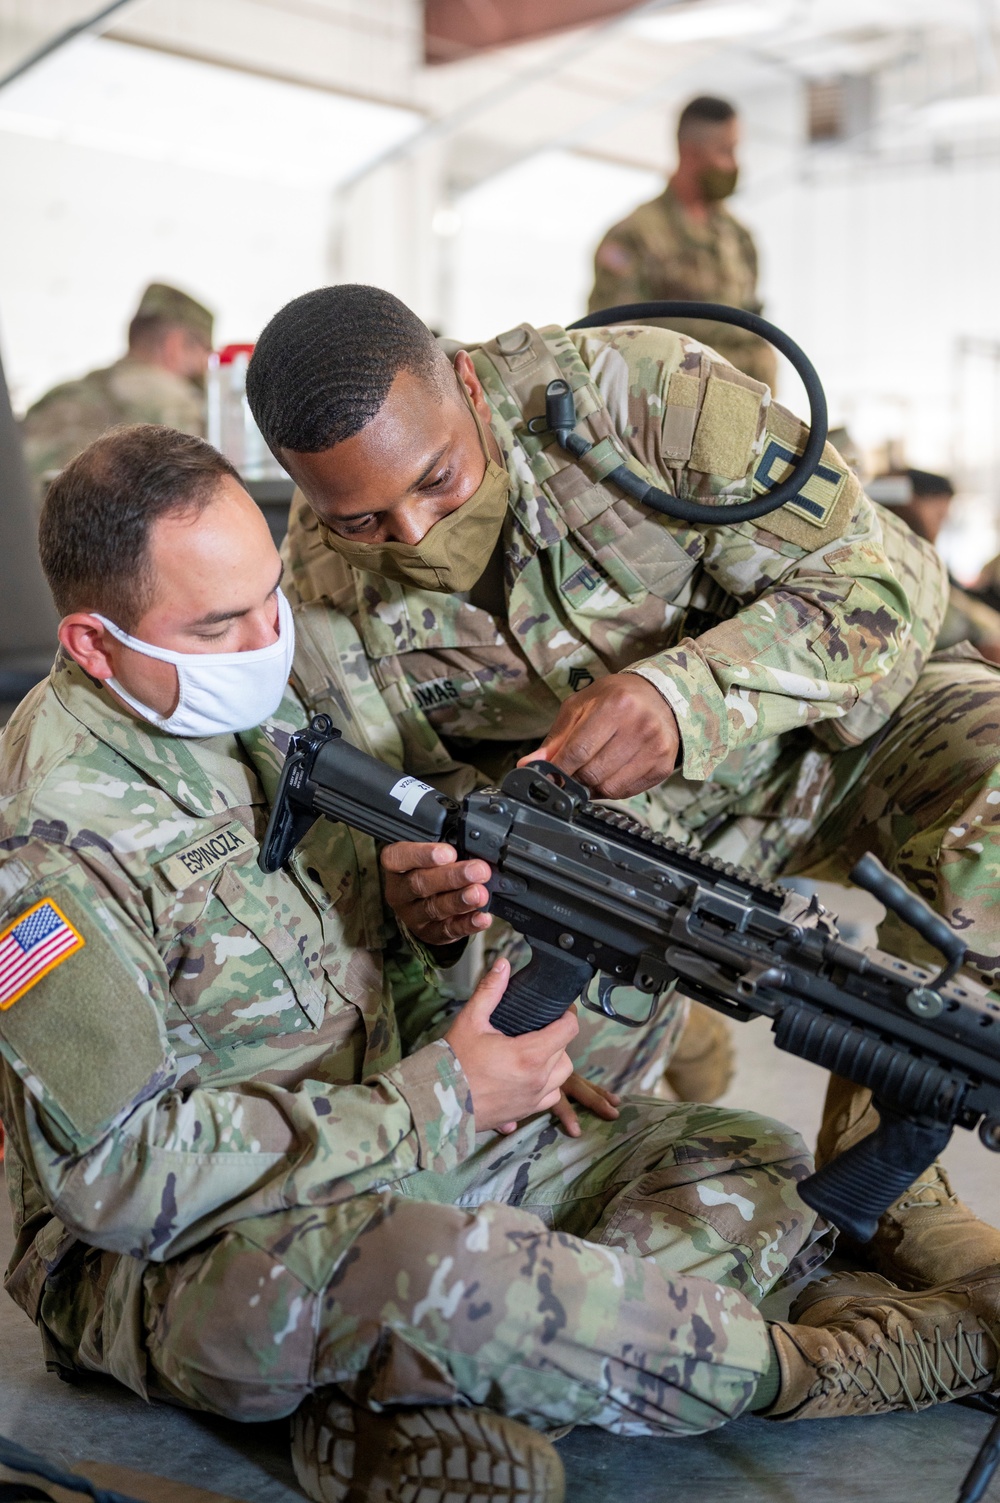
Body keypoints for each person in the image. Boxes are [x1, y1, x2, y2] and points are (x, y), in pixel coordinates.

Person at [3, 429, 999, 1503]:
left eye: (270, 598)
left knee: (737, 1158)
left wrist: (439, 947)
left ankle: (409, 1392)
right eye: (217, 624)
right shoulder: (45, 848)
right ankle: (816, 1370)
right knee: (450, 1279)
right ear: (95, 646)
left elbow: (367, 943)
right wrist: (441, 1098)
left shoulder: (271, 698)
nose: (266, 640)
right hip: (191, 1245)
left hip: (408, 1145)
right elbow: (119, 1177)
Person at [244, 282, 1000, 1297]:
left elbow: (882, 584)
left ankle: (897, 1200)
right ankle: (685, 1059)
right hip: (610, 878)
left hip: (832, 754)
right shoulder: (319, 599)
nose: (416, 534)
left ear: (466, 384)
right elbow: (402, 810)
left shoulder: (639, 397)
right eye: (366, 519)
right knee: (514, 1159)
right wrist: (423, 896)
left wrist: (688, 693)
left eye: (438, 480)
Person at [587, 95, 776, 387]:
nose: (734, 164)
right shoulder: (634, 237)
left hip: (743, 404)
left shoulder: (738, 237)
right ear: (690, 154)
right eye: (725, 151)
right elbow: (611, 342)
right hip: (669, 410)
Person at [19, 282, 213, 497]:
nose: (205, 366)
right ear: (174, 346)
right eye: (204, 352)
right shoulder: (175, 401)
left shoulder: (62, 394)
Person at [868, 468, 1000, 663]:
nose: (938, 528)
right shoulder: (900, 553)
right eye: (938, 516)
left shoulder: (923, 559)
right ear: (911, 504)